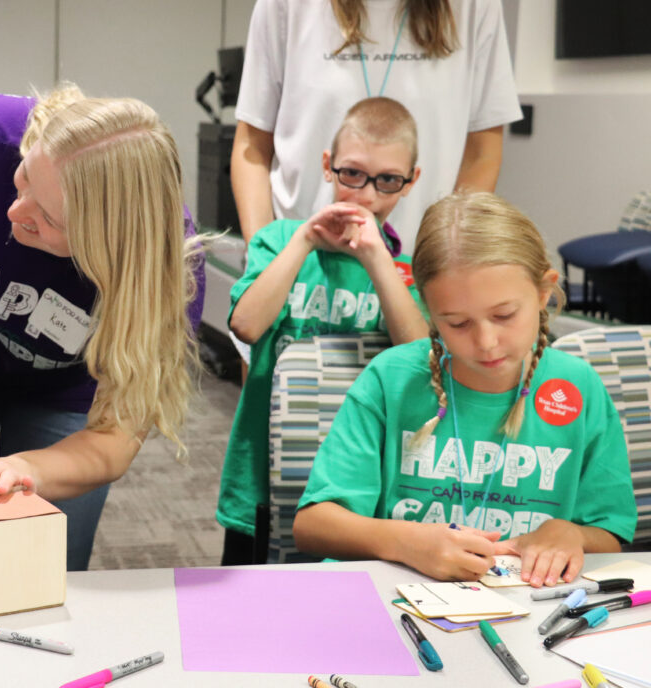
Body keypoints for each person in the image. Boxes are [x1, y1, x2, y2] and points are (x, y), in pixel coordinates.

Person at [0, 87, 205, 571]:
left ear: (109, 244)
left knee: (40, 567)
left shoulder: (162, 275)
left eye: (47, 219)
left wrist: (26, 468)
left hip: (66, 390)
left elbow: (110, 444)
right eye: (24, 177)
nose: (14, 212)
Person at [293, 192, 637, 586]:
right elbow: (313, 525)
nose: (486, 341)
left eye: (504, 315)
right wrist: (406, 542)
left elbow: (611, 533)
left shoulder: (578, 388)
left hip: (527, 612)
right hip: (399, 602)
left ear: (544, 292)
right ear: (428, 310)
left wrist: (571, 534)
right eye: (457, 323)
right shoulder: (391, 379)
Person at [217, 97, 429, 564]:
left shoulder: (406, 272)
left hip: (355, 482)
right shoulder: (279, 241)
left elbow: (419, 356)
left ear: (411, 181)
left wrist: (377, 259)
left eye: (387, 180)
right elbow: (248, 325)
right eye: (352, 174)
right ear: (328, 166)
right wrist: (306, 240)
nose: (366, 196)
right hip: (263, 472)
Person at [231, 0, 522, 247]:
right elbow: (252, 146)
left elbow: (481, 154)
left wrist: (445, 261)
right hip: (299, 273)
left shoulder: (474, 7)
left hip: (417, 275)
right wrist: (265, 257)